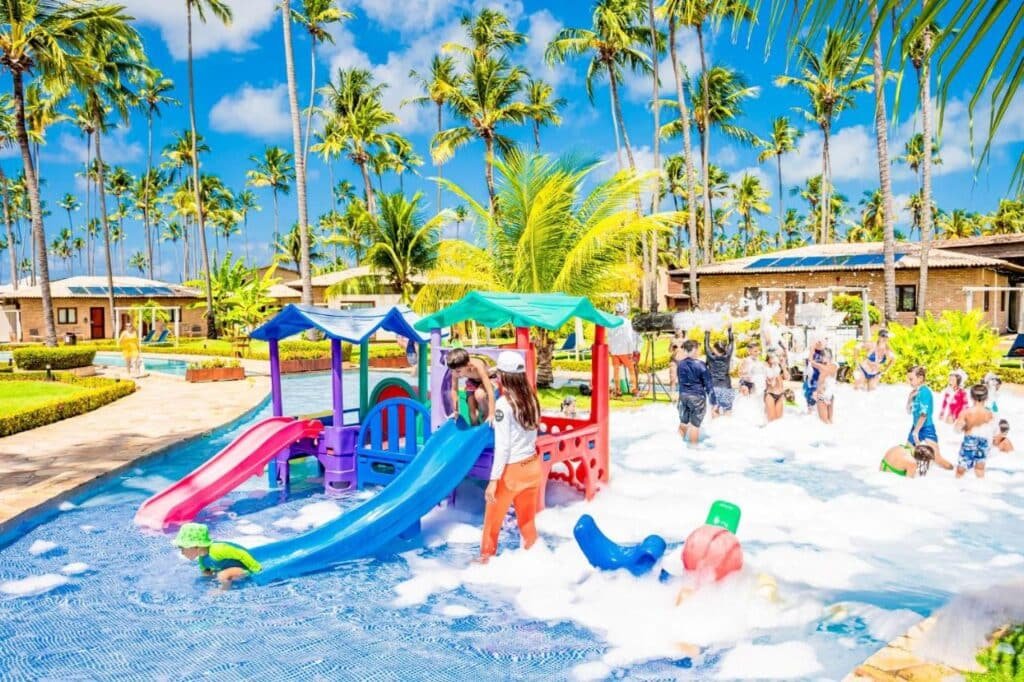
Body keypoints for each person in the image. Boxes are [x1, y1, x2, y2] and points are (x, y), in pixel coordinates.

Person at [479, 351, 542, 563]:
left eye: (497, 376)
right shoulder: (532, 398)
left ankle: (484, 563)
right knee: (527, 524)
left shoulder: (504, 406)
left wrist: (493, 481)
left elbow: (503, 448)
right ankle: (537, 562)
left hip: (512, 472)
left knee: (491, 525)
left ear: (503, 377)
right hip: (533, 466)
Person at [173, 522, 261, 589]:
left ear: (197, 546)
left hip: (245, 568)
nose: (182, 552)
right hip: (230, 569)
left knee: (222, 575)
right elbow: (206, 571)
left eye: (183, 548)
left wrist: (256, 569)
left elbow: (242, 554)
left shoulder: (218, 549)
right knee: (215, 576)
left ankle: (223, 591)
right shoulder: (202, 559)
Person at [675, 339, 717, 444]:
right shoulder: (701, 365)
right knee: (695, 425)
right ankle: (694, 450)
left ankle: (676, 445)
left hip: (683, 396)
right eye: (697, 349)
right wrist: (713, 402)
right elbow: (709, 385)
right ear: (694, 349)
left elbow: (680, 381)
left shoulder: (680, 364)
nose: (698, 352)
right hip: (697, 398)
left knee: (683, 423)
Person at [954, 383, 998, 479]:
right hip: (984, 441)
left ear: (971, 397)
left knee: (962, 467)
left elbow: (957, 429)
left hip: (970, 440)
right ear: (986, 398)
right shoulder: (989, 413)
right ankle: (980, 487)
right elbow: (995, 431)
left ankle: (957, 486)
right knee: (980, 467)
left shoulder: (966, 412)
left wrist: (964, 427)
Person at [446, 348, 497, 426]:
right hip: (473, 381)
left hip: (490, 377)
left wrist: (492, 413)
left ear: (468, 365)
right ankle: (475, 430)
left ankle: (486, 418)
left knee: (479, 394)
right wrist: (456, 411)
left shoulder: (477, 366)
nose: (456, 374)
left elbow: (490, 390)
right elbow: (454, 390)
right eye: (453, 371)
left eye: (458, 371)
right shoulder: (456, 368)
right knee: (473, 414)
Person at [906, 366, 942, 460]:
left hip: (926, 428)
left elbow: (923, 415)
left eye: (911, 379)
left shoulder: (925, 392)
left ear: (920, 378)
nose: (909, 382)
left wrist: (915, 432)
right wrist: (910, 399)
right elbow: (909, 411)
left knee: (937, 459)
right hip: (916, 426)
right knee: (908, 455)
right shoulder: (915, 392)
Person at [608, 302, 639, 397]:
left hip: (614, 350)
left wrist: (610, 349)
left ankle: (618, 391)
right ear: (623, 311)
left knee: (616, 371)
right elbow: (629, 337)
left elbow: (609, 337)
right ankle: (634, 390)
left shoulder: (611, 321)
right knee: (631, 370)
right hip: (625, 350)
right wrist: (631, 351)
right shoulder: (627, 322)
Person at [704, 326, 735, 416]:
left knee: (714, 410)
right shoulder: (727, 356)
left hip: (714, 387)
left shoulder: (711, 357)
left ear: (715, 349)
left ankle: (714, 428)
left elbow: (706, 345)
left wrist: (707, 332)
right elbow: (732, 342)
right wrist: (729, 330)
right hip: (726, 385)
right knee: (728, 411)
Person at [879, 443, 949, 477]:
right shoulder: (912, 463)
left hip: (881, 473)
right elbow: (909, 483)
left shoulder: (902, 447)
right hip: (889, 479)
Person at [811, 348, 838, 424]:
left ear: (830, 357)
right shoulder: (826, 366)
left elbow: (825, 371)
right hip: (824, 394)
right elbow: (811, 362)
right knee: (826, 422)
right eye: (822, 356)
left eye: (825, 356)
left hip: (828, 395)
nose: (823, 358)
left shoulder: (834, 365)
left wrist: (817, 364)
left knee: (827, 422)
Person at [803, 336, 826, 414]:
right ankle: (810, 411)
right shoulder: (810, 352)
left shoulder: (825, 353)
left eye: (821, 341)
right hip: (812, 378)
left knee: (820, 396)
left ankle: (817, 413)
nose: (819, 343)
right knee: (811, 396)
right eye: (817, 341)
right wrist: (812, 348)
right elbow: (809, 361)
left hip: (820, 378)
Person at [764, 351, 789, 423]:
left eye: (777, 356)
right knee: (772, 422)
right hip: (770, 395)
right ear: (768, 358)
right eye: (773, 357)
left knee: (778, 423)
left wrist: (783, 366)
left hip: (780, 395)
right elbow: (770, 382)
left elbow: (787, 377)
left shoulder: (779, 367)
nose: (777, 358)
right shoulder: (765, 367)